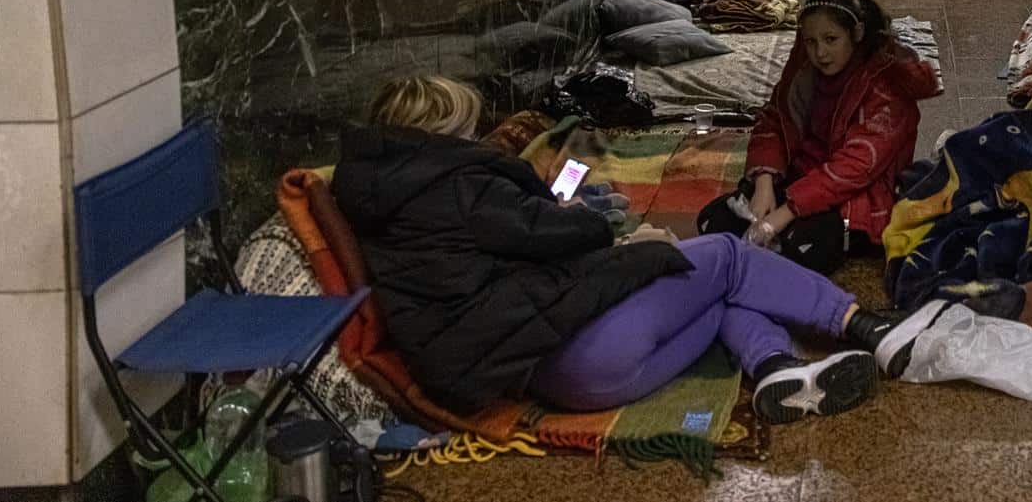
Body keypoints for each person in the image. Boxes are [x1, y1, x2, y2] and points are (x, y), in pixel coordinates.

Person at [333, 75, 924, 424]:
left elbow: (498, 256)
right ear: (441, 134)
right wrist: (602, 227)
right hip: (580, 342)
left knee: (713, 298)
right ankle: (864, 324)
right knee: (727, 254)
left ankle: (774, 369)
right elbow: (553, 236)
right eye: (466, 130)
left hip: (558, 381)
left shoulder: (381, 199)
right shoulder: (457, 184)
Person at [697, 0, 939, 273]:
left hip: (854, 197)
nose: (820, 53)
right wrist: (764, 183)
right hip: (801, 179)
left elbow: (856, 167)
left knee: (800, 249)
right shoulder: (804, 71)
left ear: (857, 34)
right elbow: (775, 119)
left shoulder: (887, 86)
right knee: (713, 221)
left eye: (831, 39)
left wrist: (784, 213)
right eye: (811, 42)